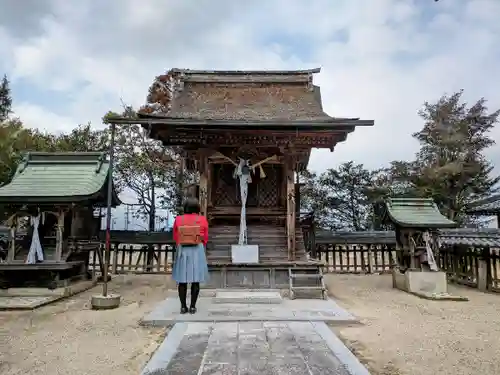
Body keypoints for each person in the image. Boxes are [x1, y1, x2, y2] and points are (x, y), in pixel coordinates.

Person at [172, 197, 209, 314]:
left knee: (182, 280)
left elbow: (175, 236)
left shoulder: (178, 219)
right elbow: (205, 237)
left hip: (183, 249)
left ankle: (183, 307)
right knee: (195, 280)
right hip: (197, 249)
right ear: (197, 207)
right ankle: (193, 306)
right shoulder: (202, 219)